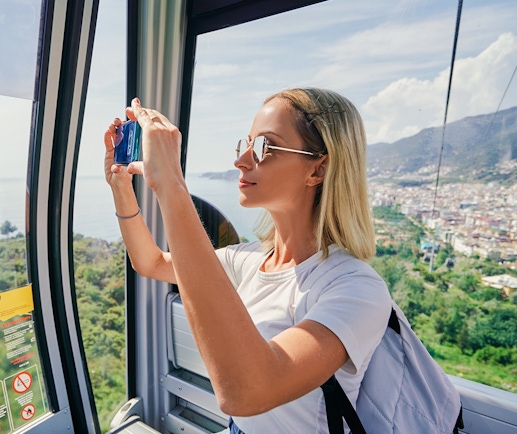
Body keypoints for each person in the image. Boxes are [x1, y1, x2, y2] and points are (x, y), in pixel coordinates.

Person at [104, 88, 391, 433]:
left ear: (319, 169)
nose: (241, 161)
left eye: (264, 148)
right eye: (247, 144)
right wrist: (120, 186)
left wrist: (171, 185)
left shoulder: (357, 289)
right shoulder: (250, 260)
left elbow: (247, 392)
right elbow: (149, 263)